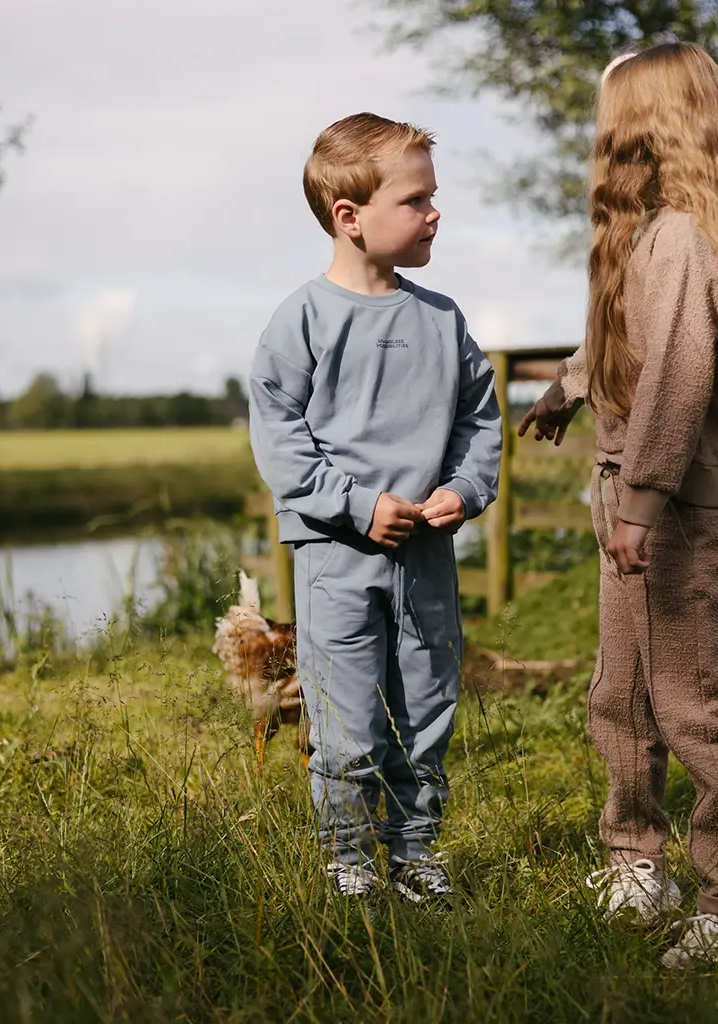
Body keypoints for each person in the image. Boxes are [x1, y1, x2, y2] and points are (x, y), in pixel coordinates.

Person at [519, 42, 718, 967]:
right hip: (635, 506)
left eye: (608, 114)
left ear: (642, 124)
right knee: (621, 695)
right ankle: (639, 860)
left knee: (694, 700)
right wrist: (565, 385)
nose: (597, 134)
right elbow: (632, 351)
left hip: (673, 510)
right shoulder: (651, 238)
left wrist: (638, 500)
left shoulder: (679, 238)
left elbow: (678, 376)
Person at [249, 112, 501, 901]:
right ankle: (350, 861)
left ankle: (415, 854)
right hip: (335, 560)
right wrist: (357, 506)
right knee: (347, 720)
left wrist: (462, 490)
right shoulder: (302, 320)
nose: (435, 212)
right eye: (416, 198)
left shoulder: (442, 318)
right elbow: (281, 440)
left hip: (426, 561)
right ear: (349, 218)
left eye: (434, 196)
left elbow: (480, 420)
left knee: (426, 707)